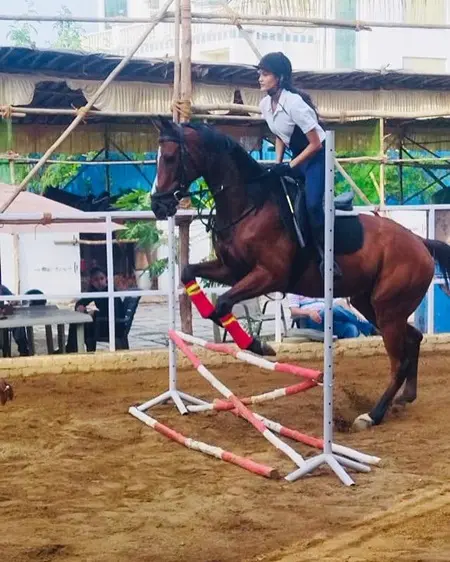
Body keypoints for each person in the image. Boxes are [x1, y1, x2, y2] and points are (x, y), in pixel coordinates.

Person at [257, 51, 340, 277]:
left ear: (280, 77)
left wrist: (290, 165)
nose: (260, 78)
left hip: (317, 159)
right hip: (296, 159)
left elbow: (316, 144)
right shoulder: (265, 104)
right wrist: (278, 164)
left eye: (266, 74)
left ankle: (327, 257)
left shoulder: (294, 103)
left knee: (312, 205)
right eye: (260, 74)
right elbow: (280, 134)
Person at [66, 267, 126, 353]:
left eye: (102, 278)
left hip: (112, 326)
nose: (100, 282)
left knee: (78, 325)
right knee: (75, 323)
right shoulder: (96, 291)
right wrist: (80, 306)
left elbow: (111, 312)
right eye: (96, 280)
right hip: (103, 324)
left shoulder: (109, 291)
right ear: (92, 282)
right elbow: (82, 302)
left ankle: (71, 349)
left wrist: (91, 311)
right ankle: (71, 348)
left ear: (106, 279)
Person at [287, 293, 377, 339]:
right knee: (332, 309)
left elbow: (338, 302)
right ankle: (369, 328)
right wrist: (309, 312)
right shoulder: (295, 289)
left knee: (351, 329)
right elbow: (294, 311)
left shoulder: (320, 285)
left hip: (330, 320)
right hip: (311, 320)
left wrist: (348, 308)